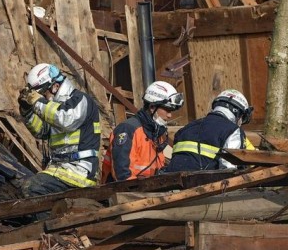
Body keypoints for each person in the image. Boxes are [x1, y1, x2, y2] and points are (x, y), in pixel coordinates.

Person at [17, 63, 102, 195]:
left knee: (32, 188)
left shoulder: (80, 100)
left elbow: (65, 119)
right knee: (25, 187)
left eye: (42, 93)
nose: (42, 97)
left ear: (55, 86)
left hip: (79, 170)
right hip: (60, 168)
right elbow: (42, 131)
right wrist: (27, 112)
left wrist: (37, 102)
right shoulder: (54, 108)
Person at [104, 81, 183, 182]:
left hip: (147, 191)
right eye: (167, 109)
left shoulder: (155, 133)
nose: (169, 115)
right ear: (152, 107)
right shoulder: (128, 130)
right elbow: (122, 174)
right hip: (123, 193)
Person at [162, 88, 253, 172]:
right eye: (242, 118)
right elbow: (229, 170)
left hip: (173, 184)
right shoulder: (233, 131)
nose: (240, 123)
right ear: (237, 112)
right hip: (206, 185)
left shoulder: (185, 129)